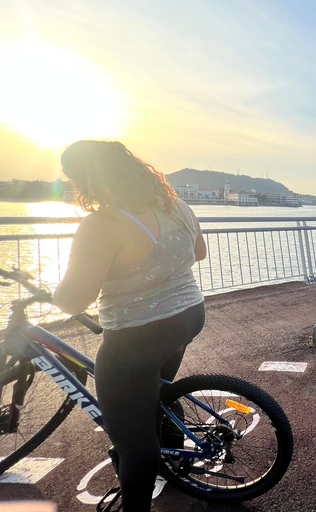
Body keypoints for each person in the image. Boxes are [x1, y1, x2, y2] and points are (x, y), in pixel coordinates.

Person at [53, 140, 207, 512]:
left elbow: (73, 301)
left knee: (133, 443)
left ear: (88, 180)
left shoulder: (102, 225)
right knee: (153, 392)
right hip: (188, 315)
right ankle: (176, 457)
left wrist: (53, 294)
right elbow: (198, 252)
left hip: (137, 335)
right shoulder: (177, 206)